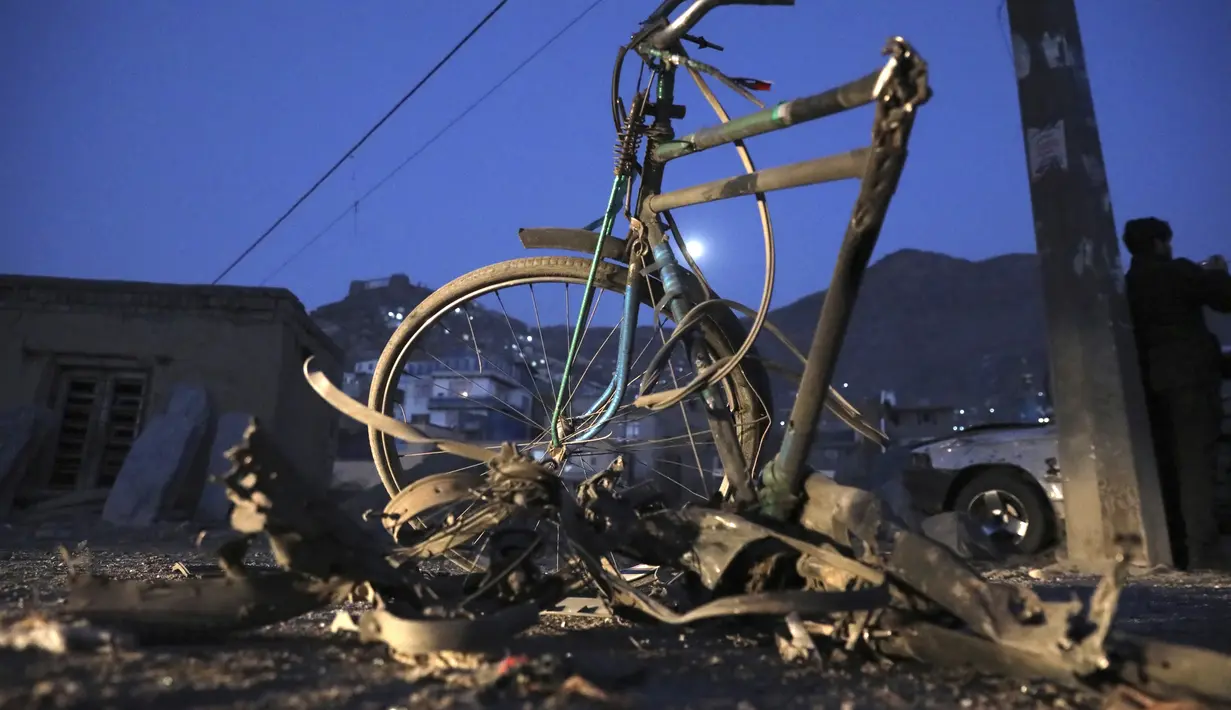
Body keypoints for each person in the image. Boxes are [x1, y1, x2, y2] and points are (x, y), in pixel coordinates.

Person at [1123, 217, 1231, 571]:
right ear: (1159, 243)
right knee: (1197, 468)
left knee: (1167, 469)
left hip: (1152, 388)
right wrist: (1217, 271)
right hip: (1192, 384)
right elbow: (1224, 299)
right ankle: (1206, 554)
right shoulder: (1176, 273)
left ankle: (1176, 552)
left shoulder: (1128, 284)